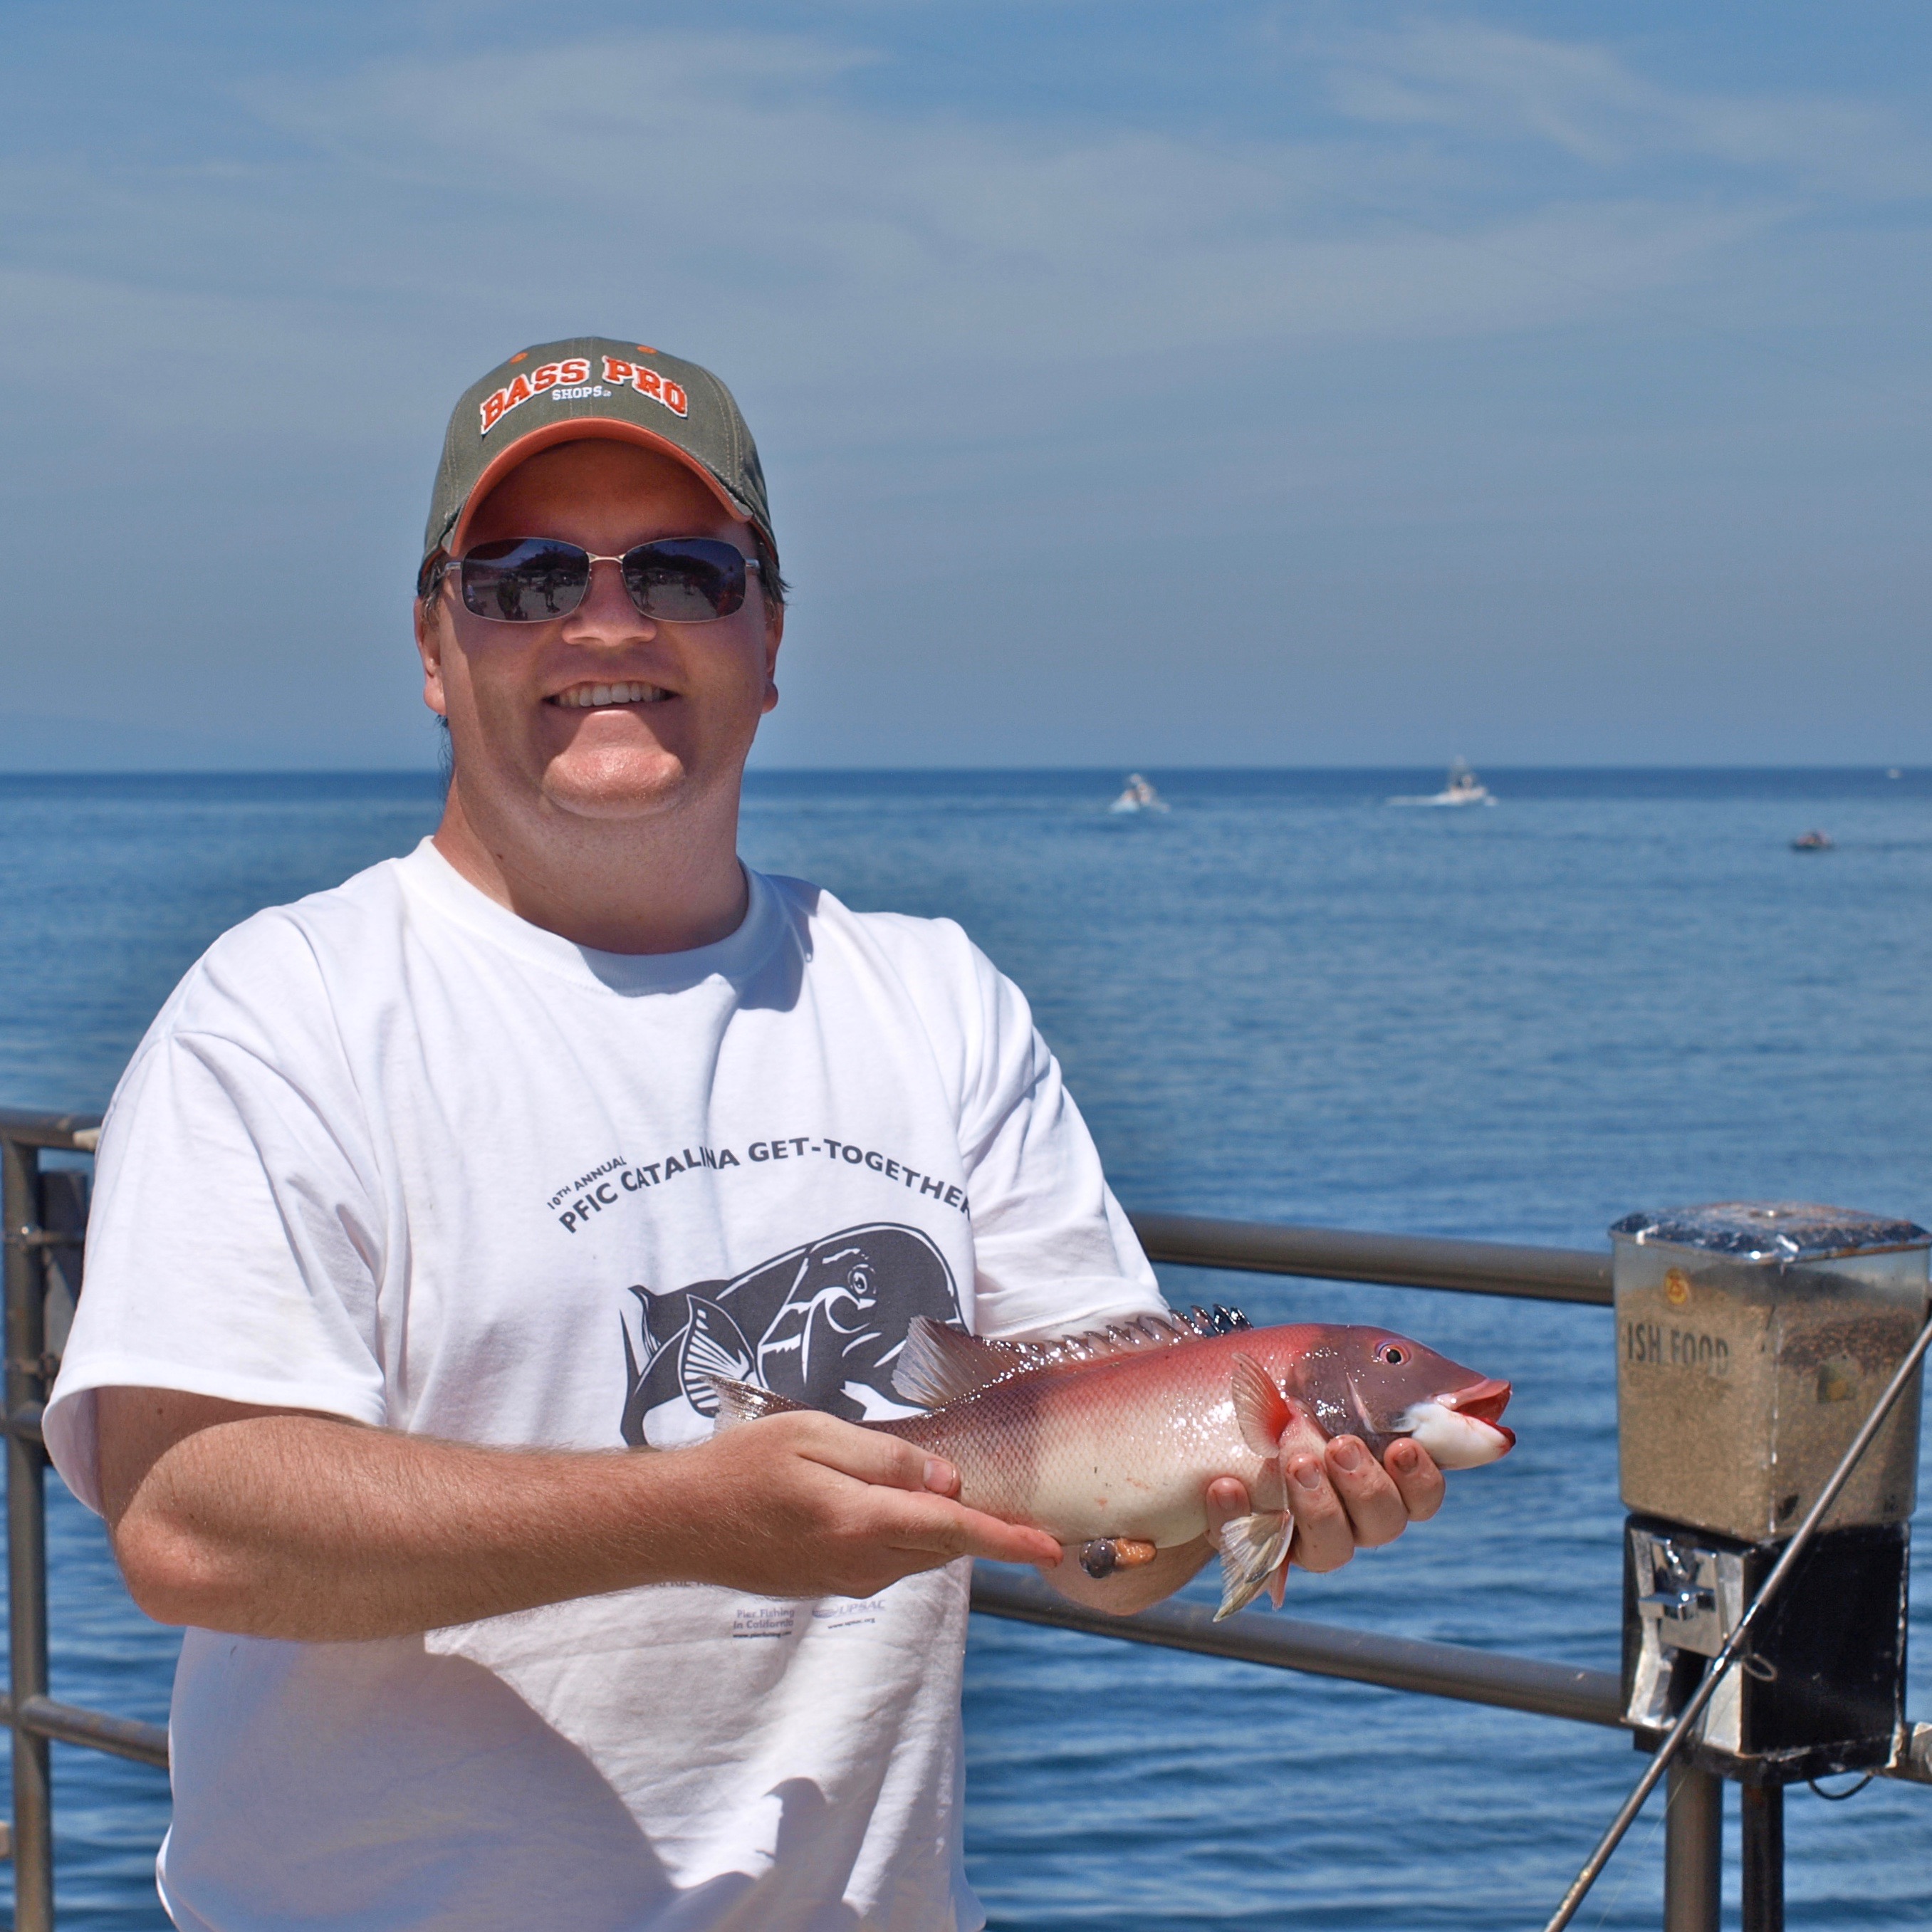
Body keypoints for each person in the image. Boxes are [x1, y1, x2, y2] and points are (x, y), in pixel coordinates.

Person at [44, 336, 1443, 1931]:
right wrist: (691, 1516)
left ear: (771, 636)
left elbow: (1097, 1544)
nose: (609, 622)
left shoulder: (936, 999)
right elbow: (190, 1521)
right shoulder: (284, 1010)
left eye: (687, 574)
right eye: (522, 578)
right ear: (435, 645)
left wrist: (1248, 1488)